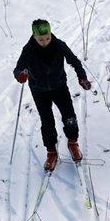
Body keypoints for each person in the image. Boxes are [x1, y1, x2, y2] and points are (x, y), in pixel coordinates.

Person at [12, 19, 92, 171]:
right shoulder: (28, 50)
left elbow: (74, 61)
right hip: (39, 90)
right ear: (34, 37)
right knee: (47, 121)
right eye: (41, 39)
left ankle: (73, 142)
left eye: (47, 38)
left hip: (59, 87)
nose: (44, 42)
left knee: (69, 116)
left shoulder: (58, 45)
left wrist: (82, 77)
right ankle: (51, 152)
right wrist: (20, 75)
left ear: (50, 34)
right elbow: (18, 68)